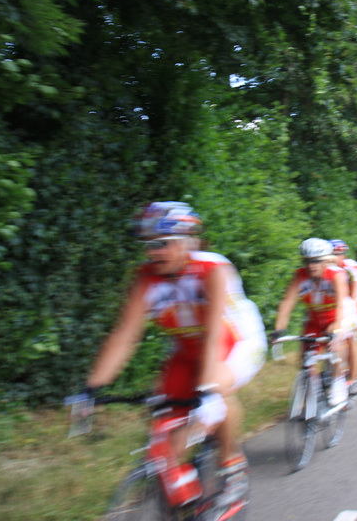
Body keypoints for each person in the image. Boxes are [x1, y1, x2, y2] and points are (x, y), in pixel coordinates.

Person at [85, 201, 266, 506]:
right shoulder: (146, 278)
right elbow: (124, 335)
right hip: (187, 351)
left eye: (161, 244)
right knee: (164, 429)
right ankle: (183, 492)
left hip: (237, 343)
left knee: (215, 394)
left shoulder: (212, 270)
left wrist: (208, 393)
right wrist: (91, 388)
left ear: (186, 242)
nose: (152, 252)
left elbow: (213, 336)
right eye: (148, 245)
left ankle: (232, 466)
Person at [273, 238, 350, 400]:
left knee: (335, 345)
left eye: (316, 261)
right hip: (314, 321)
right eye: (307, 261)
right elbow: (287, 302)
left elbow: (342, 304)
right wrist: (279, 329)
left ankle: (338, 381)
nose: (311, 266)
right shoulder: (300, 276)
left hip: (337, 316)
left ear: (325, 261)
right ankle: (313, 396)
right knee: (306, 359)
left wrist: (337, 328)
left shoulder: (336, 275)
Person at [330, 239, 357, 396]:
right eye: (331, 254)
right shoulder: (325, 268)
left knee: (352, 335)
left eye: (337, 254)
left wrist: (354, 320)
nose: (334, 257)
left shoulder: (351, 268)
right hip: (341, 302)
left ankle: (354, 379)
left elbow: (355, 296)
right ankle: (335, 371)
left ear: (343, 255)